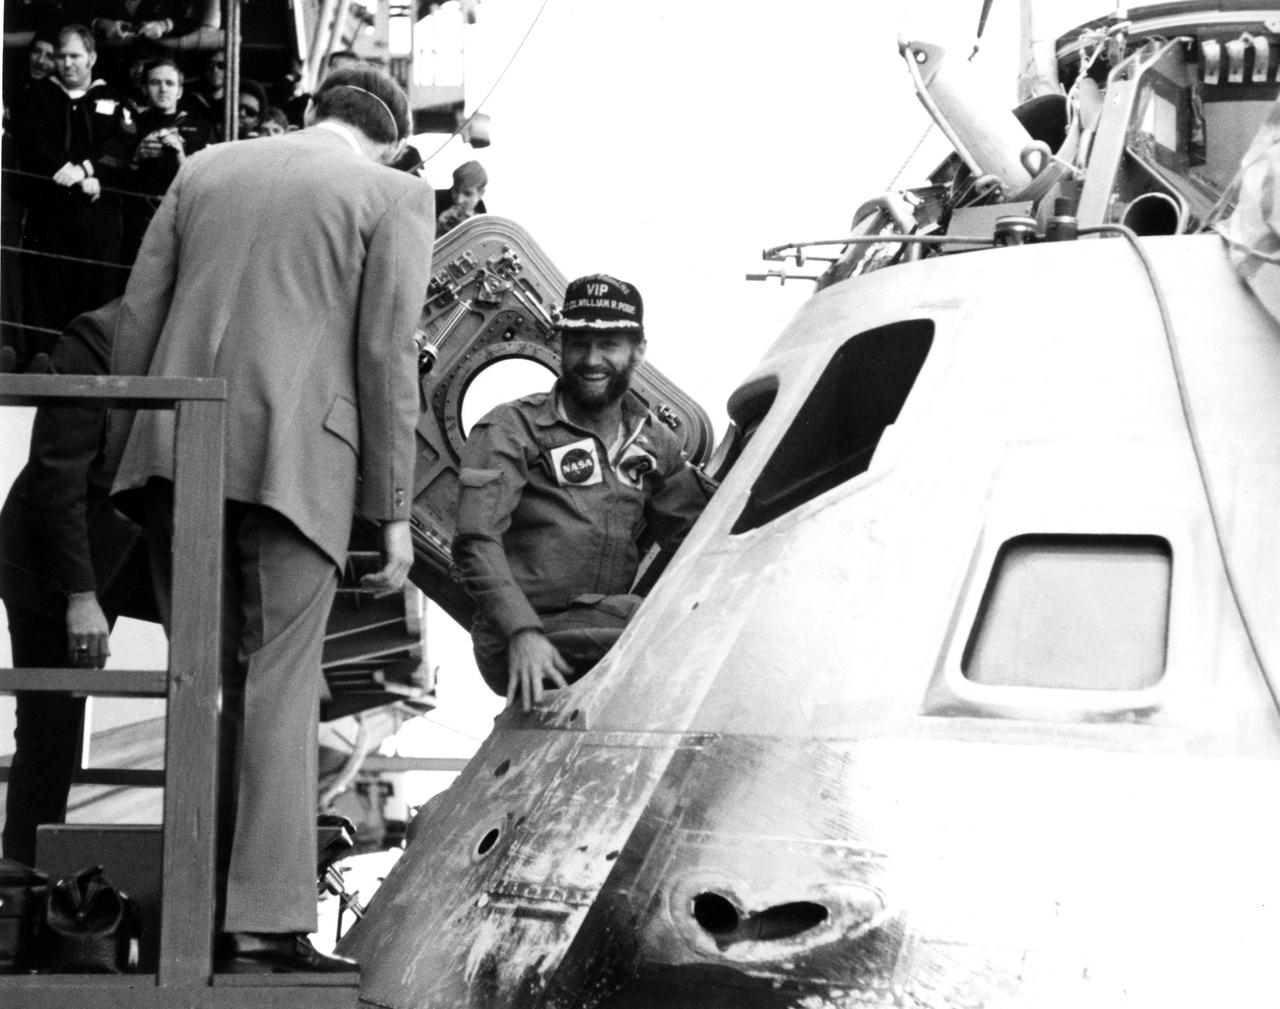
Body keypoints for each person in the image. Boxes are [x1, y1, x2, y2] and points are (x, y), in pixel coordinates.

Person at [107, 63, 434, 973]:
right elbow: (386, 355)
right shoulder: (394, 194)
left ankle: (192, 909)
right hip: (298, 467)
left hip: (177, 450)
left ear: (314, 111)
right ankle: (262, 925)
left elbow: (139, 314)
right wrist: (392, 511)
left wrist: (128, 450)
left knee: (199, 682)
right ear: (392, 141)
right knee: (281, 685)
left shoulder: (206, 166)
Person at [453, 274, 710, 710]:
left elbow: (699, 536)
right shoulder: (512, 429)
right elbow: (476, 541)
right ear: (561, 344)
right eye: (579, 343)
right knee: (656, 628)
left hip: (600, 622)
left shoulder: (654, 441)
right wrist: (522, 631)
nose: (592, 359)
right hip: (520, 638)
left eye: (608, 344)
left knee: (692, 626)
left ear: (638, 351)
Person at [0, 298, 154, 868]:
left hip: (135, 541)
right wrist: (80, 597)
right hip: (53, 554)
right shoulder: (97, 336)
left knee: (226, 645)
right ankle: (23, 887)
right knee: (49, 733)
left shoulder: (204, 331)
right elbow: (56, 479)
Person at [11, 23, 133, 350]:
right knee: (43, 298)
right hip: (49, 218)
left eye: (75, 56)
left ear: (91, 58)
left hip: (97, 221)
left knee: (96, 301)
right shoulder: (36, 96)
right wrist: (62, 168)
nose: (67, 63)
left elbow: (123, 145)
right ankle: (41, 362)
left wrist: (86, 170)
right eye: (62, 56)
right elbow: (32, 142)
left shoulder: (113, 99)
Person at [121, 58, 212, 263]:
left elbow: (209, 181)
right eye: (155, 83)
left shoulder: (202, 129)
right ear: (144, 88)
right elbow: (116, 174)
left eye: (169, 83)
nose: (163, 89)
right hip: (141, 219)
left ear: (180, 91)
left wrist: (180, 156)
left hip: (184, 218)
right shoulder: (131, 126)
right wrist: (136, 158)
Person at [435, 158, 487, 235]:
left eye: (467, 194)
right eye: (456, 191)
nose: (459, 200)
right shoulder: (434, 199)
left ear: (481, 194)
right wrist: (437, 225)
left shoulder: (480, 209)